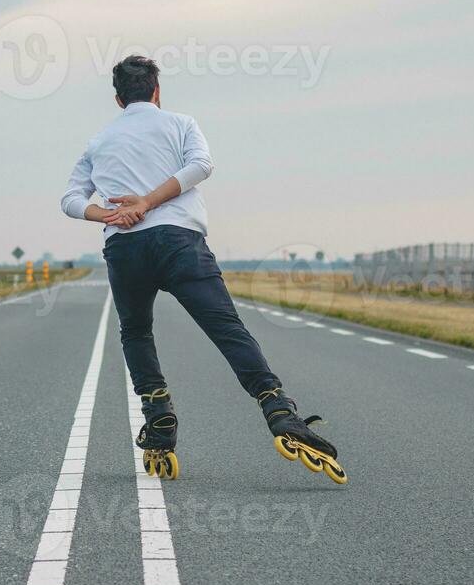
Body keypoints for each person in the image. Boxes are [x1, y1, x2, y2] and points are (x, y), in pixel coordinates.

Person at [60, 55, 346, 484]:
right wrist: (151, 202)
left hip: (125, 249)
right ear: (157, 91)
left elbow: (69, 199)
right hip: (179, 243)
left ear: (119, 99)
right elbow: (201, 167)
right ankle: (279, 410)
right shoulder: (180, 123)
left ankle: (158, 420)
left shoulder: (99, 141)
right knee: (227, 330)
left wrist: (109, 214)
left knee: (136, 332)